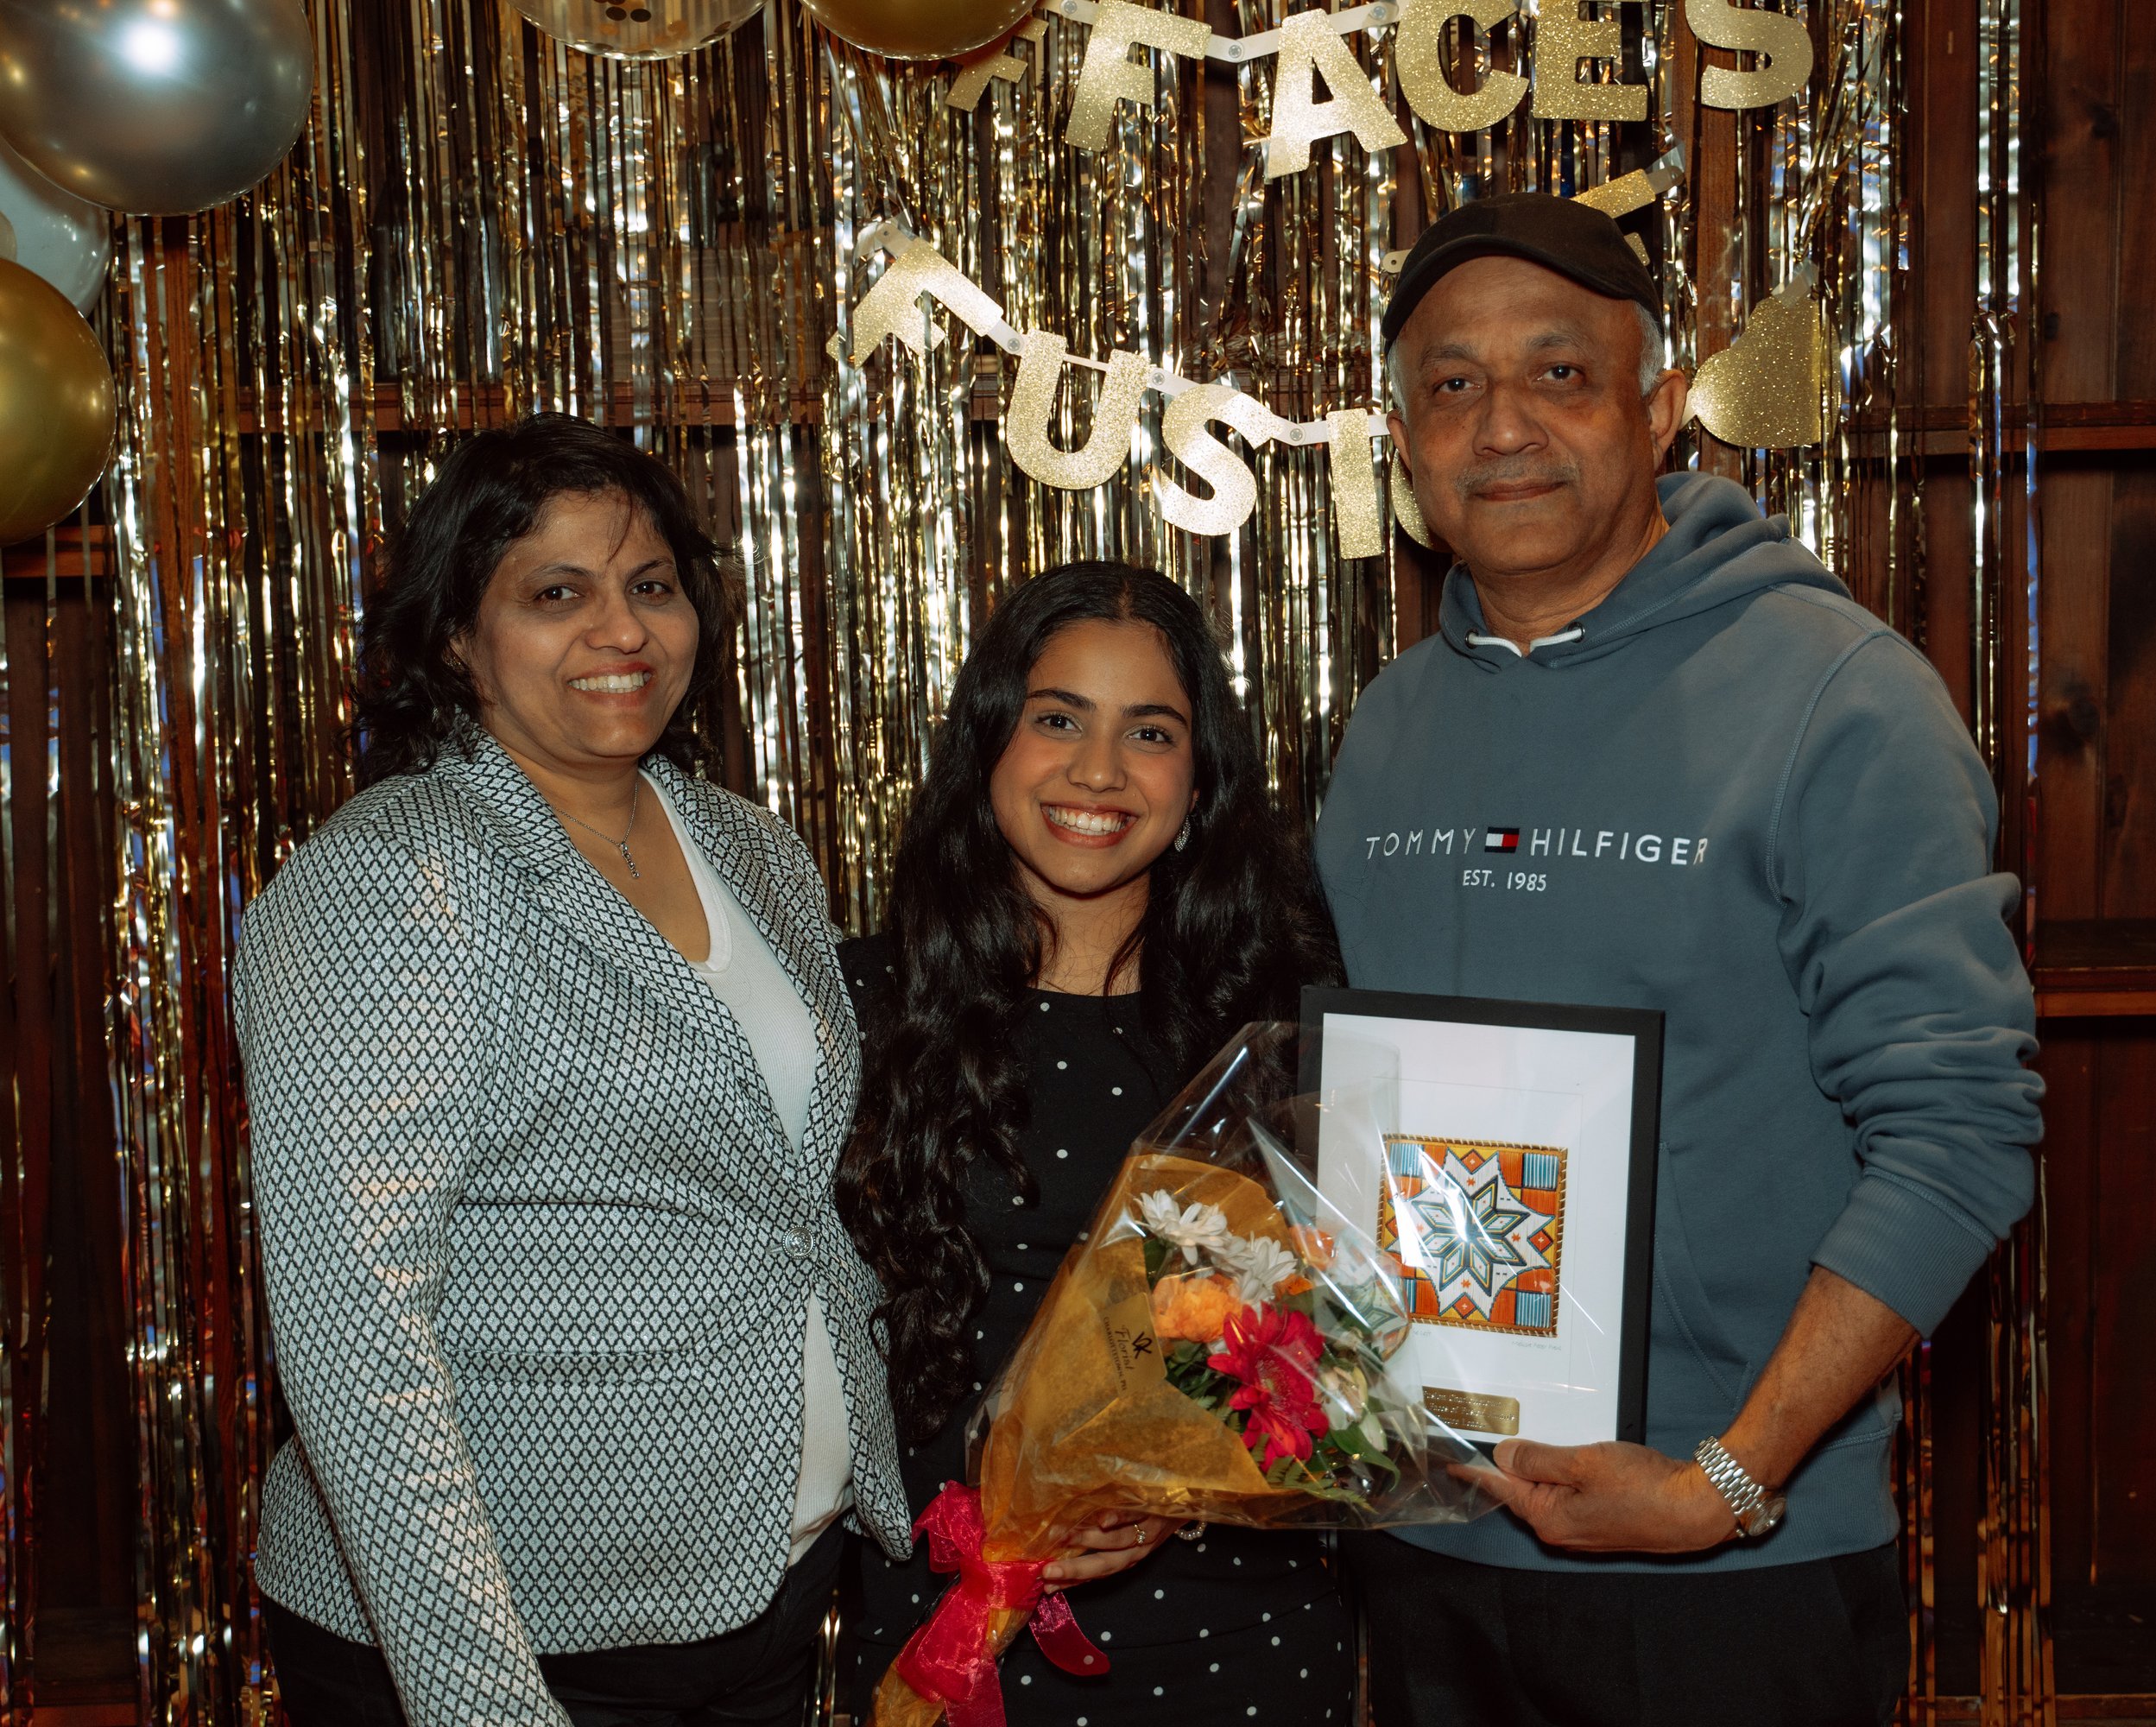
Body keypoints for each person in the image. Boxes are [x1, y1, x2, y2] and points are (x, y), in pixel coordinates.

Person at [1314, 195, 2043, 1726]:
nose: (1501, 425)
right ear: (1404, 439)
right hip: (1432, 1536)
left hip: (1723, 1572)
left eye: (1559, 374)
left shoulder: (1838, 695)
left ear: (1658, 409)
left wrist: (1727, 1482)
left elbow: (1963, 1134)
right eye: (1452, 385)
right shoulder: (1386, 733)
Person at [236, 414, 908, 1727]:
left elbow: (777, 1197)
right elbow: (352, 1329)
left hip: (761, 1599)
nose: (624, 631)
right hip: (517, 1648)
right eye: (557, 594)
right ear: (454, 638)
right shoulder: (402, 871)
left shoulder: (750, 847)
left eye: (651, 586)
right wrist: (482, 1700)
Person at [833, 562, 1356, 1724]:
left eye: (1151, 733)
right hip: (940, 1627)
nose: (1099, 772)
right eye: (1057, 718)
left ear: (1200, 778)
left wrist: (1181, 1485)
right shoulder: (861, 1007)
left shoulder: (1283, 1024)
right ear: (988, 749)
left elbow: (1355, 1362)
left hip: (1235, 1635)